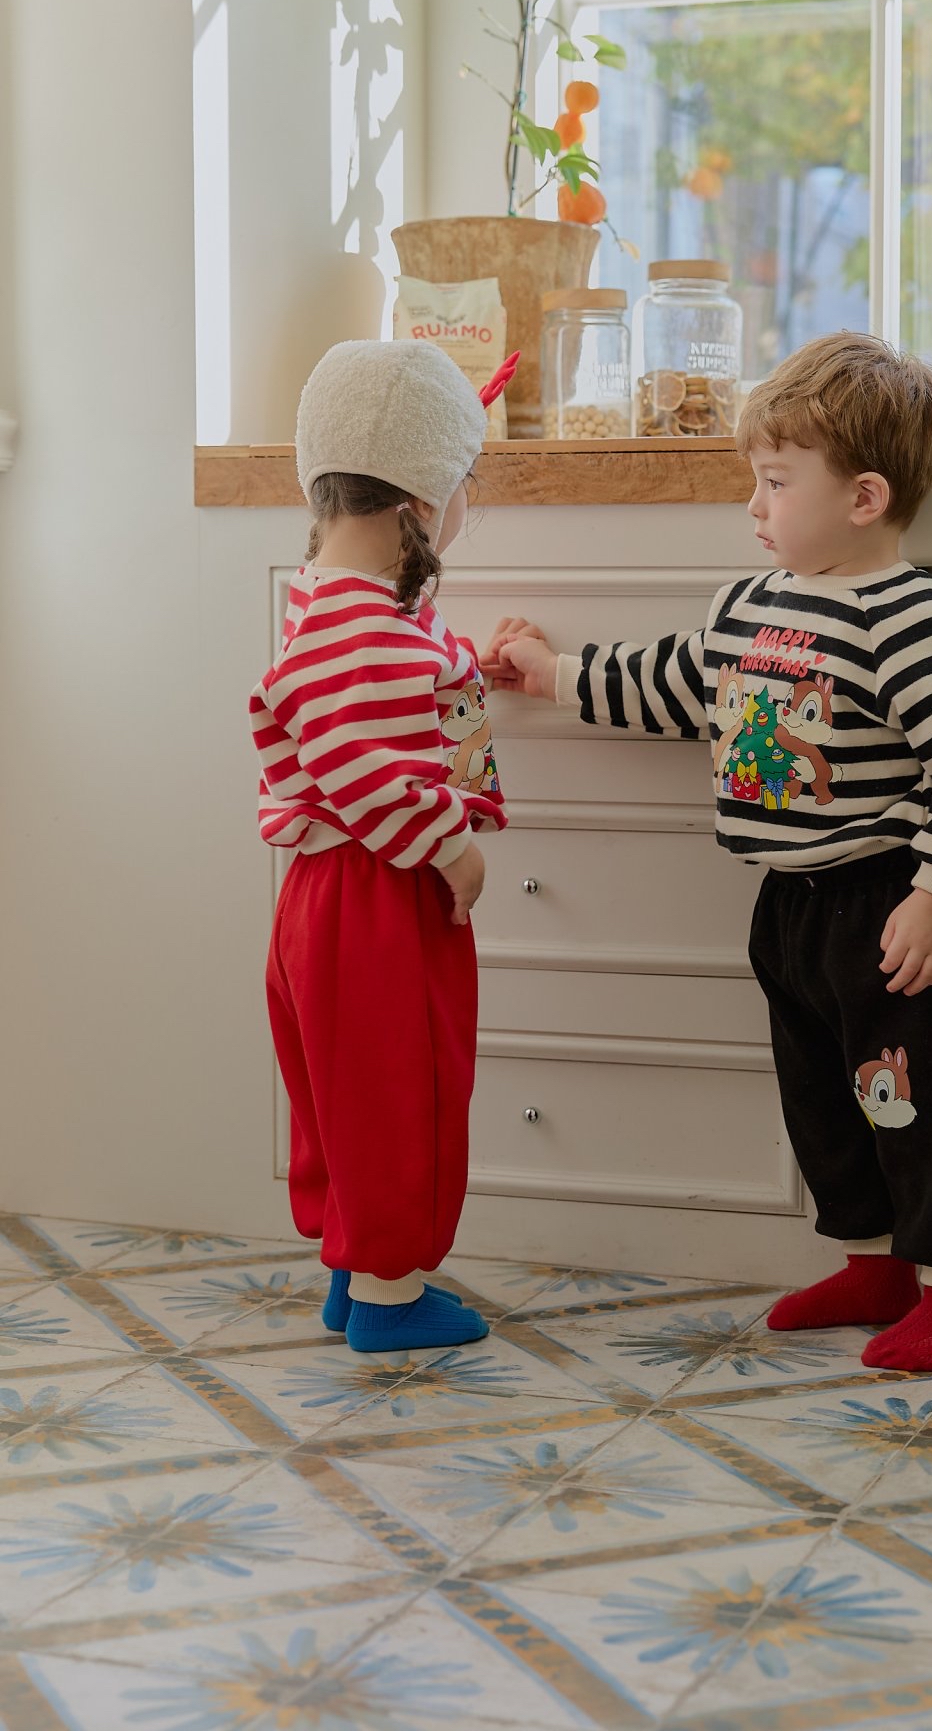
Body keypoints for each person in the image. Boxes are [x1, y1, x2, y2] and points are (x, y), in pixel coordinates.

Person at [484, 332, 932, 1373]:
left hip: (887, 903)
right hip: (790, 907)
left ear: (863, 498)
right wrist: (553, 673)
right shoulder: (751, 606)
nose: (754, 505)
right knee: (819, 1096)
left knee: (919, 1100)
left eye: (775, 482)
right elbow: (675, 681)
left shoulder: (915, 624)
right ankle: (871, 1261)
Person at [251, 339, 518, 1354]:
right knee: (405, 1091)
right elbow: (361, 761)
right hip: (380, 894)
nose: (463, 505)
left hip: (324, 893)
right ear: (417, 504)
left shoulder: (325, 599)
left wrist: (456, 665)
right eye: (460, 485)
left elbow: (364, 695)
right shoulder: (362, 629)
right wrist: (452, 850)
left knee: (345, 1093)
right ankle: (390, 1298)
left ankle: (352, 1272)